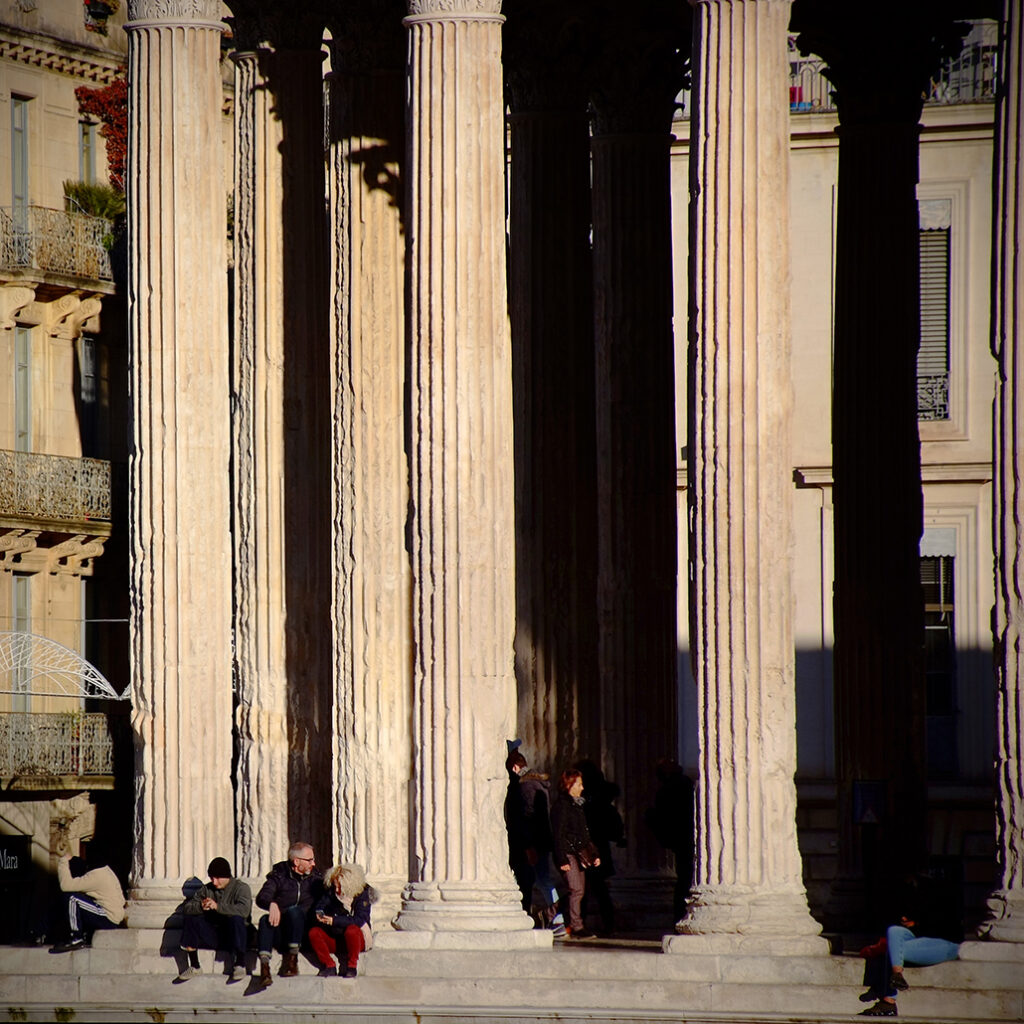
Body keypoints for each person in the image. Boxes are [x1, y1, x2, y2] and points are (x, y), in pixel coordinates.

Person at [858, 914, 960, 1016]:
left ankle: (889, 995)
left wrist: (916, 923)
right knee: (894, 931)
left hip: (942, 944)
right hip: (913, 940)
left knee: (893, 948)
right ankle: (894, 978)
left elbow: (946, 924)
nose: (903, 918)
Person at [254, 840, 323, 988]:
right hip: (282, 931)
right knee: (265, 920)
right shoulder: (279, 876)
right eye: (309, 860)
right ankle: (265, 968)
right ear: (296, 861)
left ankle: (292, 960)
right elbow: (262, 897)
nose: (313, 863)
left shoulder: (316, 879)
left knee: (295, 911)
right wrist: (271, 904)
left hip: (303, 932)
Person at [504, 748, 558, 929]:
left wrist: (528, 845)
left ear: (515, 767)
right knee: (542, 880)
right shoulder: (537, 785)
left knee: (537, 881)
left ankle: (557, 919)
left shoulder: (526, 787)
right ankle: (556, 919)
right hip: (540, 841)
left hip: (533, 843)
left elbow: (528, 817)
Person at [176, 856, 252, 983]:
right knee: (191, 918)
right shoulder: (207, 889)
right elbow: (187, 907)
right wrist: (201, 906)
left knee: (237, 919)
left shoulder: (241, 888)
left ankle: (240, 963)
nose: (214, 882)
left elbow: (244, 910)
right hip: (215, 934)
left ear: (226, 875)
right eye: (212, 878)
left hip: (235, 935)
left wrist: (217, 906)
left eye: (217, 878)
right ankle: (194, 965)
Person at [574, 759, 624, 934]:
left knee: (585, 889)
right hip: (597, 846)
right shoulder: (600, 799)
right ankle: (604, 923)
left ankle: (581, 923)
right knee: (595, 888)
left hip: (590, 847)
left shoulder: (587, 801)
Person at [550, 768, 600, 939]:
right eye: (579, 784)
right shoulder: (562, 806)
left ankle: (549, 914)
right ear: (569, 785)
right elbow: (558, 833)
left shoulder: (577, 805)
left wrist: (594, 854)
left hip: (578, 853)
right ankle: (576, 926)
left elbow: (583, 834)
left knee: (578, 890)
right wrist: (561, 858)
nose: (582, 787)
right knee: (576, 889)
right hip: (567, 853)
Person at [645, 757, 696, 923]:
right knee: (685, 878)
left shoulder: (668, 789)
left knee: (684, 879)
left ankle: (679, 914)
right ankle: (680, 914)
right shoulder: (683, 785)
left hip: (681, 837)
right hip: (686, 836)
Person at [309, 863, 377, 978]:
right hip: (336, 935)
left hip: (357, 938)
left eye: (340, 887)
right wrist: (320, 913)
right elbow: (321, 904)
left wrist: (334, 921)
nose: (337, 890)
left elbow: (359, 919)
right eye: (335, 886)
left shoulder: (362, 894)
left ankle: (352, 966)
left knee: (352, 930)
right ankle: (329, 965)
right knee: (314, 932)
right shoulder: (331, 892)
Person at [49, 852, 126, 953]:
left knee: (72, 898)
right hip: (113, 916)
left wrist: (63, 861)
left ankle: (76, 938)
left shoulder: (96, 876)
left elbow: (66, 886)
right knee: (81, 899)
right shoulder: (107, 871)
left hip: (108, 918)